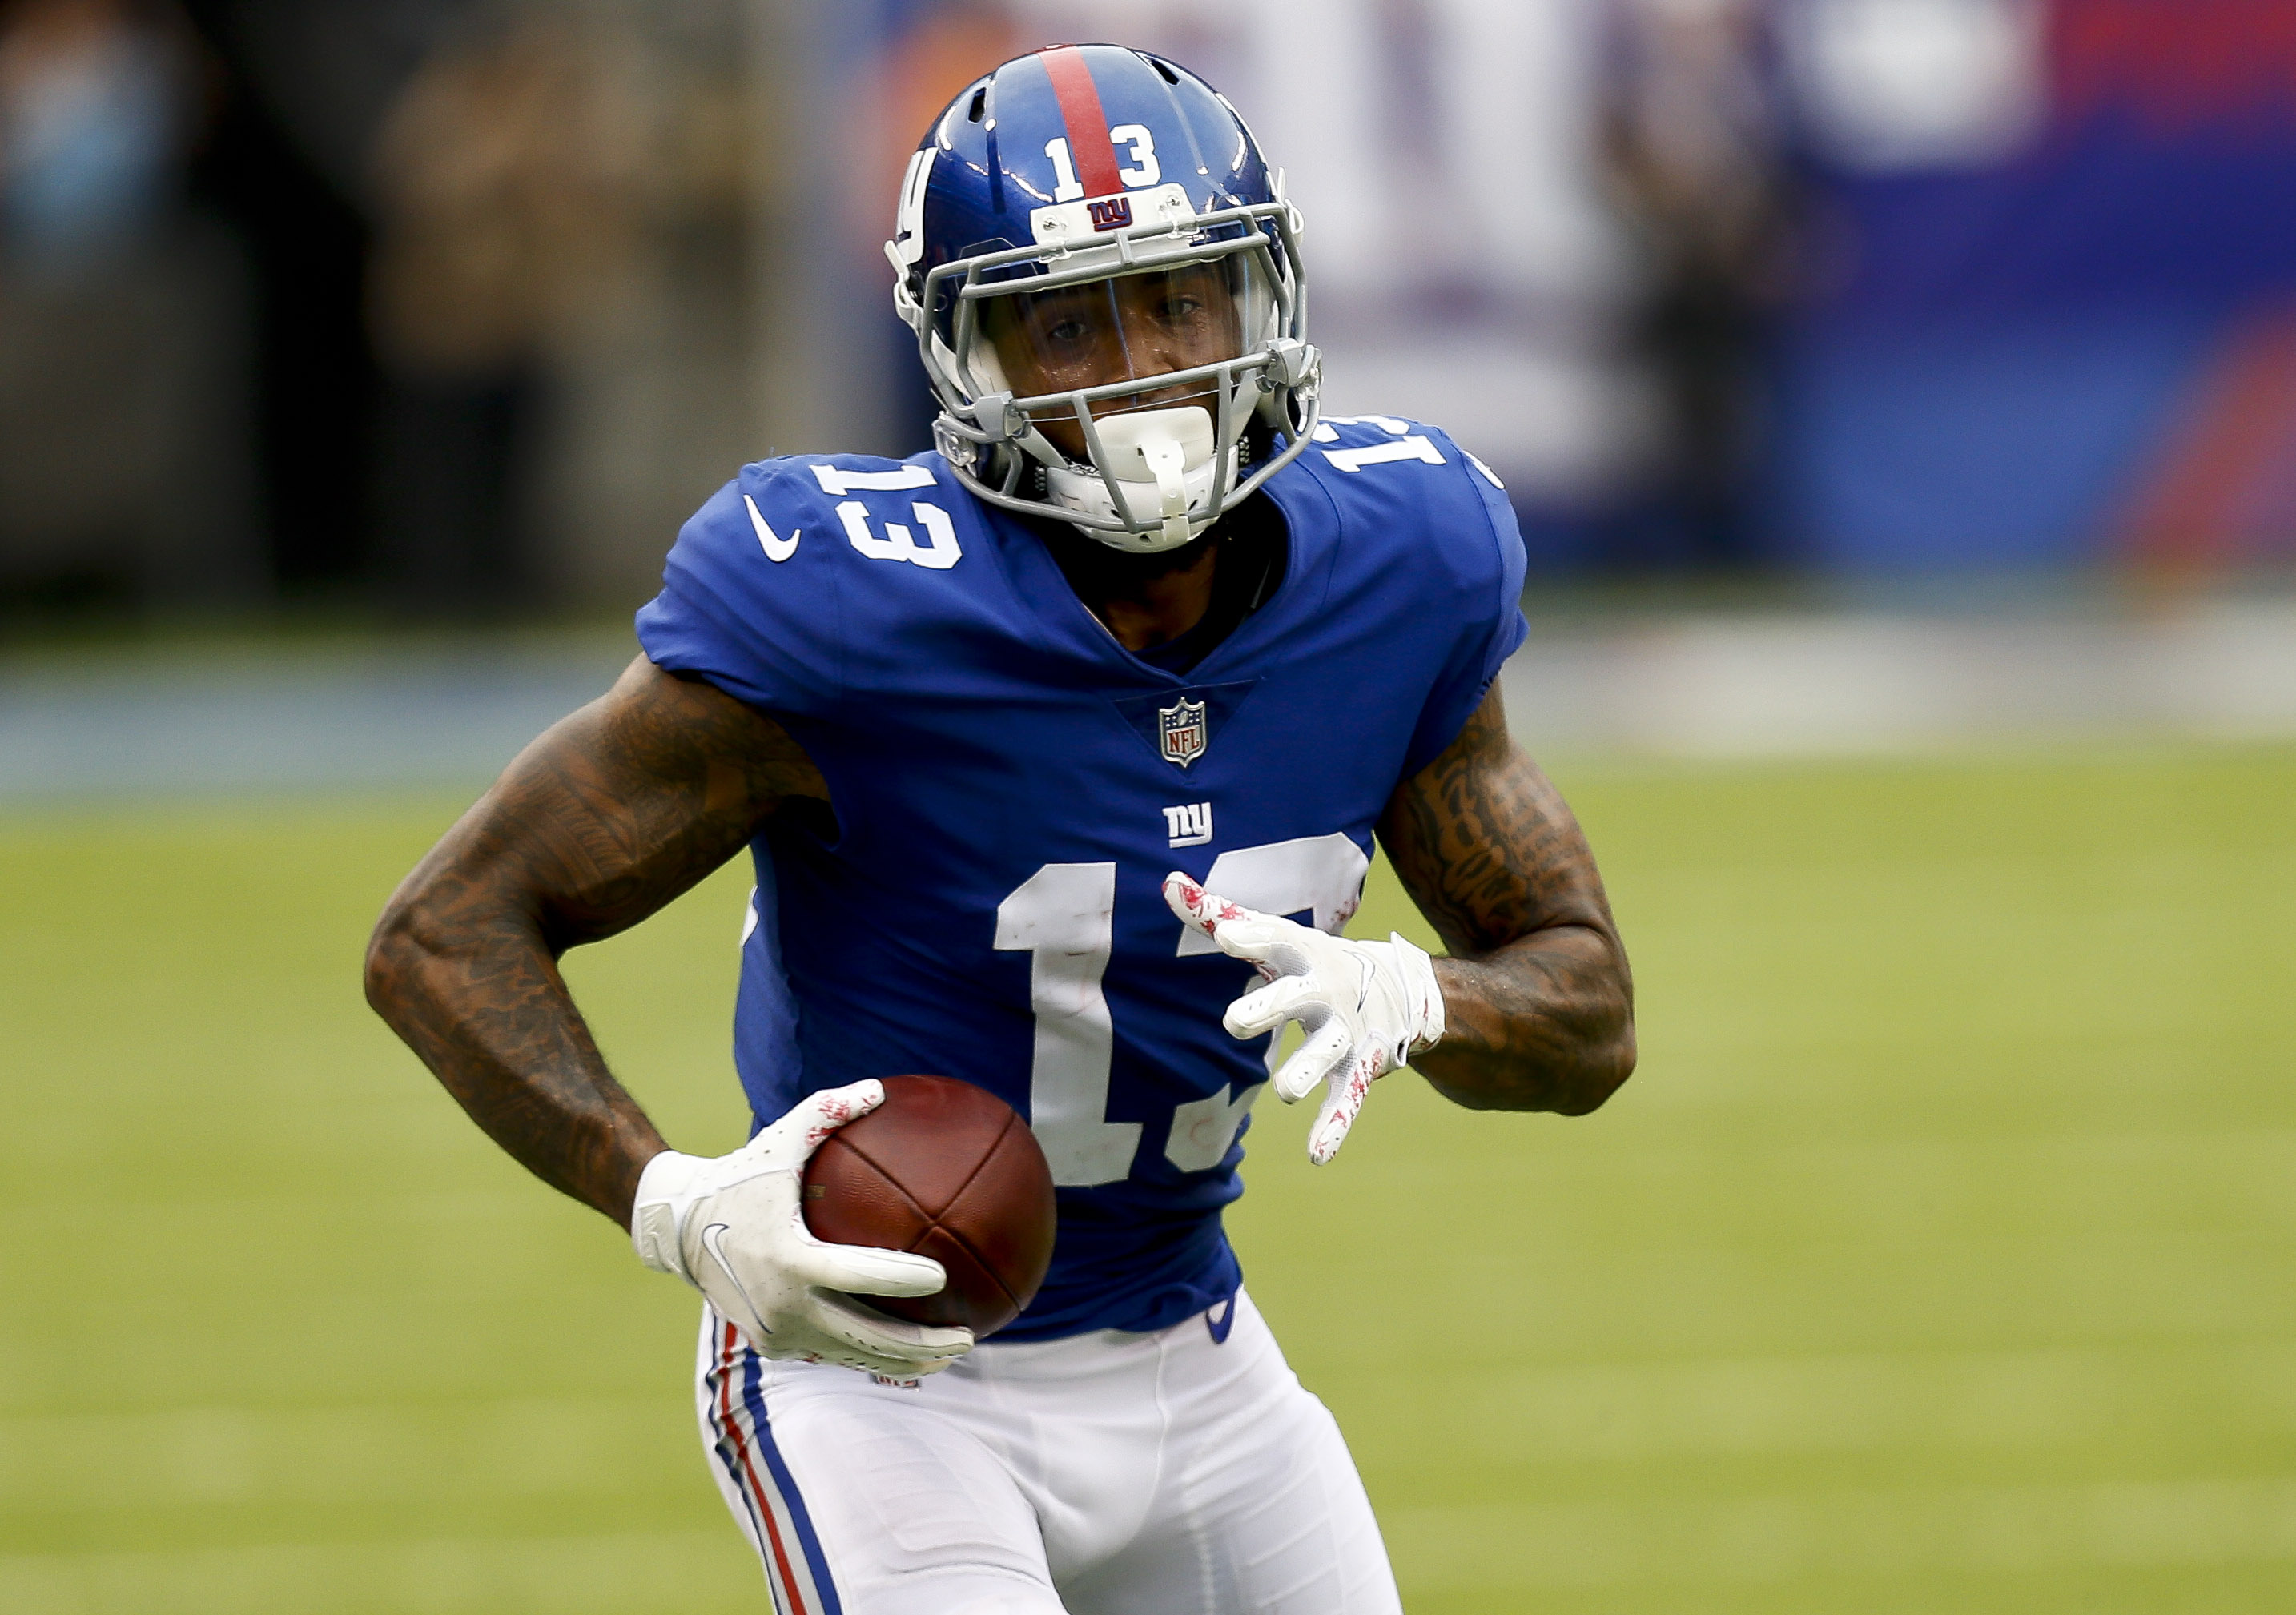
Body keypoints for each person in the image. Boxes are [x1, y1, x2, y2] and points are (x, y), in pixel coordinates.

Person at [367, 43, 1634, 1615]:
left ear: (1265, 297)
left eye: (1178, 299)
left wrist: (1426, 994)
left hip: (1200, 1353)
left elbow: (1587, 1010)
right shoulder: (845, 601)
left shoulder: (1403, 561)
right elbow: (444, 932)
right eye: (1064, 321)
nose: (1138, 370)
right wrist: (679, 1206)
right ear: (964, 354)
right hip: (884, 1379)